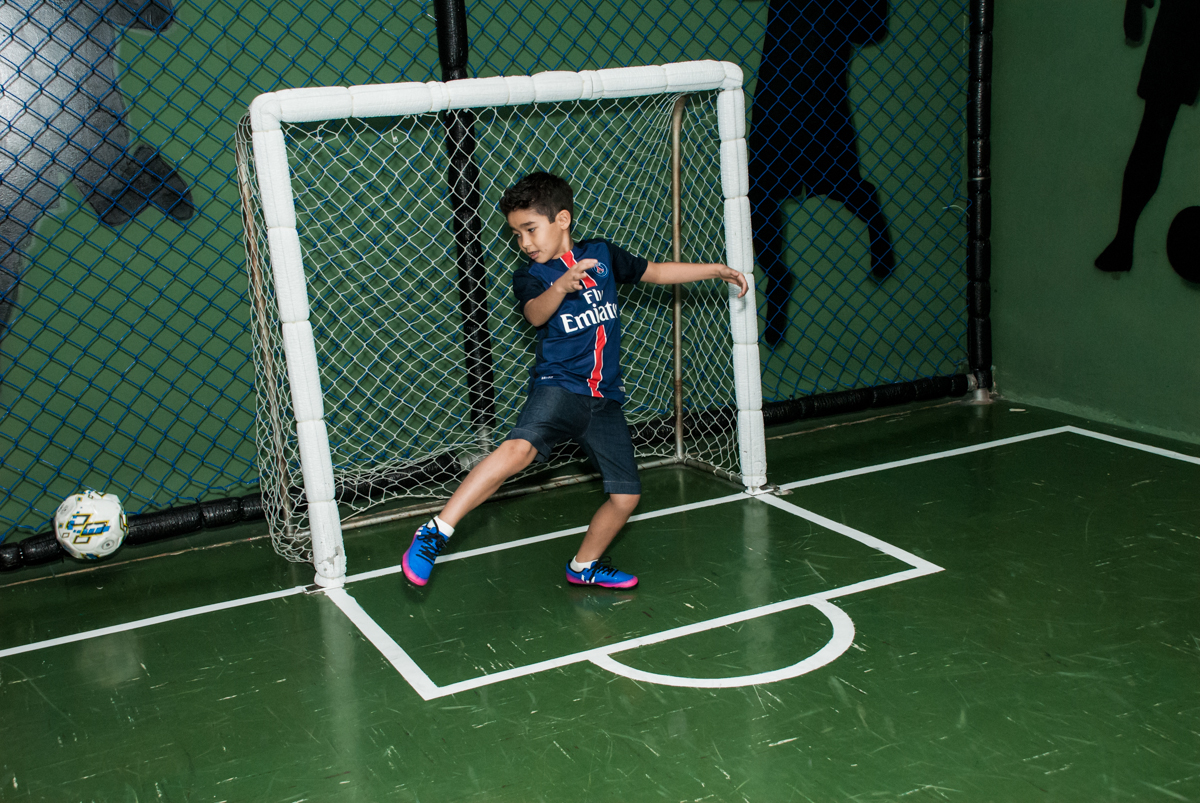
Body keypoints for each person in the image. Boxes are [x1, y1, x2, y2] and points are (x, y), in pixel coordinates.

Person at [401, 171, 748, 590]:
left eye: (530, 229)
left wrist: (712, 269)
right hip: (559, 386)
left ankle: (583, 566)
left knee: (626, 497)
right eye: (516, 234)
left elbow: (654, 272)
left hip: (604, 400)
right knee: (518, 449)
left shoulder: (601, 254)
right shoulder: (531, 277)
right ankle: (435, 531)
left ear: (562, 219)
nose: (524, 243)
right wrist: (562, 287)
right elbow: (534, 315)